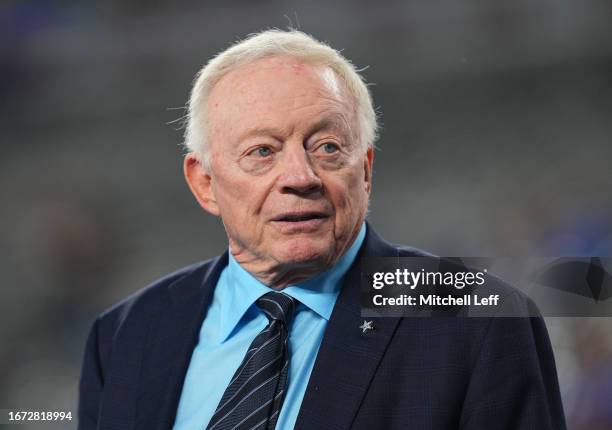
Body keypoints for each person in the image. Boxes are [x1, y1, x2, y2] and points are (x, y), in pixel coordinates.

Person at [78, 29, 567, 430]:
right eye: (262, 151)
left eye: (327, 147)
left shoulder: (476, 323)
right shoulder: (123, 336)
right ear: (204, 183)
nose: (300, 177)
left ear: (367, 171)